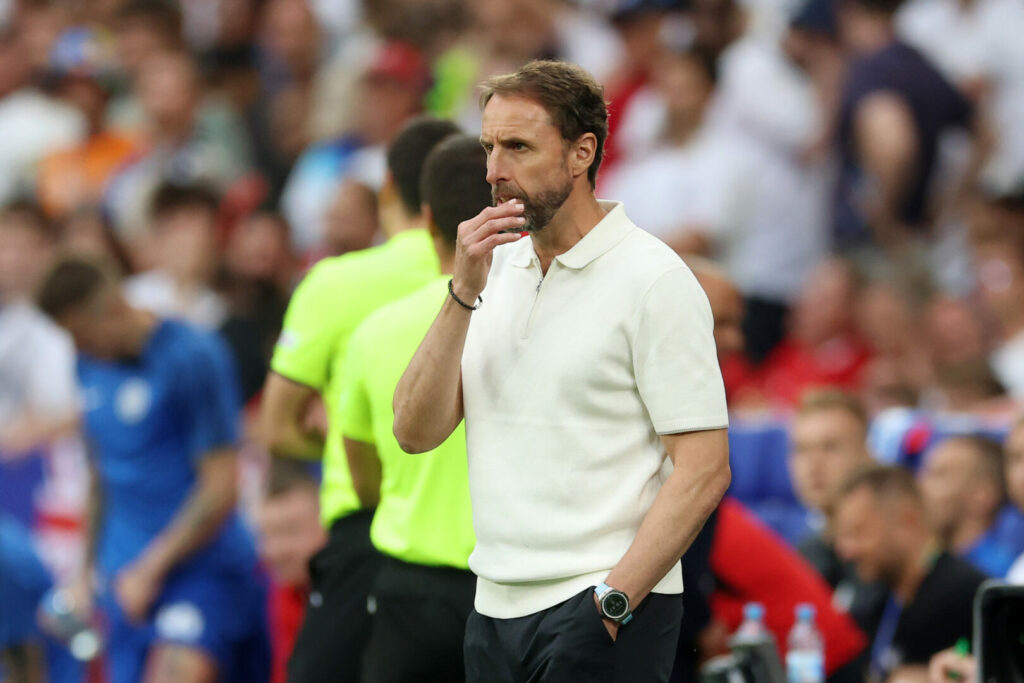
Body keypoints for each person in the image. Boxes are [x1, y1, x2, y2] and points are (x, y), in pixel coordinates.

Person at [393, 60, 731, 682]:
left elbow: (705, 469)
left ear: (583, 153)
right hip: (492, 606)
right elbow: (413, 432)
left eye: (518, 147)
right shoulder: (489, 269)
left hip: (602, 604)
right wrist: (461, 292)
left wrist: (613, 602)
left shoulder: (655, 279)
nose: (494, 171)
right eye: (489, 147)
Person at [260, 115, 457, 683]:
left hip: (369, 526)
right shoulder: (502, 278)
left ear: (388, 188)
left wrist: (342, 442)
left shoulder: (337, 283)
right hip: (474, 541)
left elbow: (276, 429)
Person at [35, 257, 269, 683]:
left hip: (199, 574)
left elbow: (221, 484)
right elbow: (100, 474)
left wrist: (150, 569)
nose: (76, 347)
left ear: (112, 309)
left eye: (80, 334)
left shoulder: (191, 356)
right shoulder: (86, 364)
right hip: (123, 583)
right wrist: (84, 575)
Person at [340, 134, 492, 682]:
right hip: (508, 591)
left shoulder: (375, 330)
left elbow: (363, 479)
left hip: (411, 596)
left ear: (426, 219)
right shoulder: (534, 318)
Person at [833, 464, 986, 681]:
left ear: (907, 520)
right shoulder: (879, 599)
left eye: (858, 532)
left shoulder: (968, 597)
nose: (845, 550)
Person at [789, 390, 889, 636]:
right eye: (801, 450)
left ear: (868, 456)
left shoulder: (891, 555)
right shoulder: (804, 554)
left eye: (830, 448)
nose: (813, 463)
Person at [255, 460, 326, 683]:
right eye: (267, 535)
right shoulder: (283, 592)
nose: (275, 551)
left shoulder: (356, 598)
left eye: (290, 531)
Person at [122, 182, 227, 329]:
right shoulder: (132, 296)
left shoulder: (219, 309)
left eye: (192, 222)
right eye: (174, 223)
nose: (182, 238)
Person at [918, 436, 1018, 577]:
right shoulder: (923, 567)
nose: (919, 487)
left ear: (982, 496)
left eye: (939, 474)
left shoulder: (1003, 575)